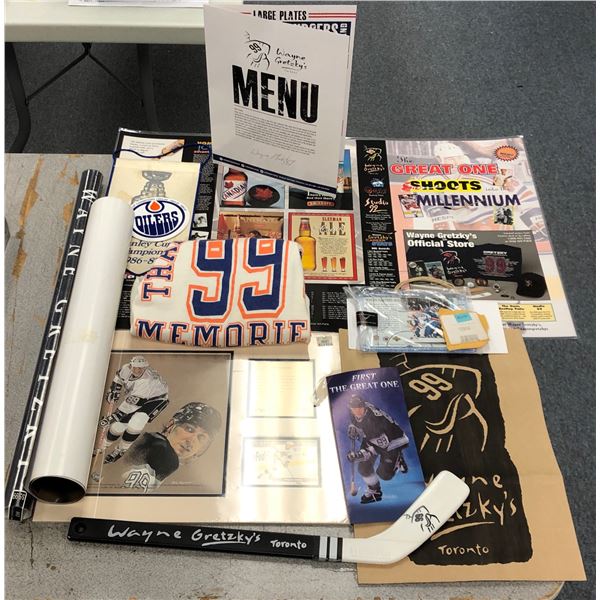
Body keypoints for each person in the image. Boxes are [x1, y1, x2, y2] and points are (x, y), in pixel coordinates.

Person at [119, 402, 222, 493]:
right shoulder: (156, 448)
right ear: (170, 426)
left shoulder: (184, 475)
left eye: (201, 437)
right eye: (189, 429)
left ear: (203, 448)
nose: (191, 440)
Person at [98, 356, 169, 464]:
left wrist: (113, 417)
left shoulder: (145, 381)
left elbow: (131, 406)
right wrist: (114, 389)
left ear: (145, 368)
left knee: (136, 423)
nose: (137, 370)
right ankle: (103, 445)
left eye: (141, 368)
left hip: (156, 399)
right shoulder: (126, 368)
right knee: (118, 426)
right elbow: (118, 378)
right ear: (131, 366)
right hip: (138, 396)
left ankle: (121, 450)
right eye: (135, 367)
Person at [346, 395, 410, 504]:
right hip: (375, 438)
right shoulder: (357, 410)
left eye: (359, 408)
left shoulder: (374, 423)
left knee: (384, 475)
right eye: (354, 409)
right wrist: (352, 427)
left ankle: (398, 457)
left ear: (364, 406)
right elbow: (356, 421)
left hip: (393, 441)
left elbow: (378, 448)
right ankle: (375, 491)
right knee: (363, 468)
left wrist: (358, 455)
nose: (357, 411)